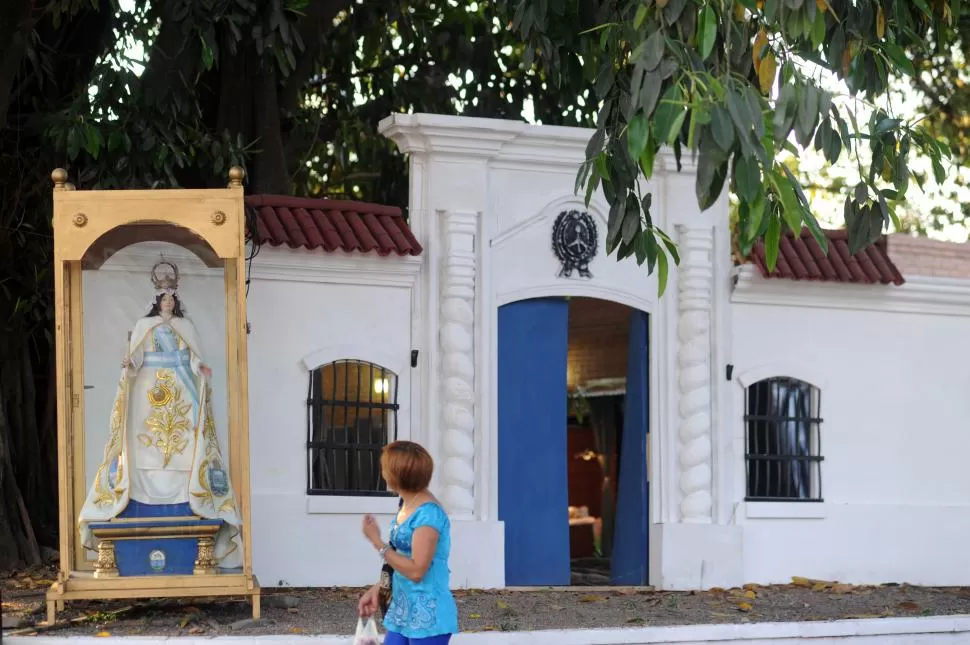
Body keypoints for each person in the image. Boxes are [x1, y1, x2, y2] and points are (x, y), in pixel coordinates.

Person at [78, 260, 242, 568]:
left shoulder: (185, 326)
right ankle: (137, 491)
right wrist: (130, 365)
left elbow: (192, 357)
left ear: (176, 302)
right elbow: (136, 357)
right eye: (164, 299)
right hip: (148, 390)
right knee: (147, 439)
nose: (168, 303)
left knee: (181, 439)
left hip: (180, 388)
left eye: (172, 299)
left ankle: (188, 493)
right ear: (157, 301)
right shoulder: (144, 326)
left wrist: (200, 368)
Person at [358, 441, 458, 644]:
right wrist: (379, 587)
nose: (382, 472)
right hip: (402, 612)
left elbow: (416, 570)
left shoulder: (428, 514)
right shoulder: (407, 504)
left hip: (428, 617)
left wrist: (377, 542)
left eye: (385, 467)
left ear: (395, 475)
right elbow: (403, 557)